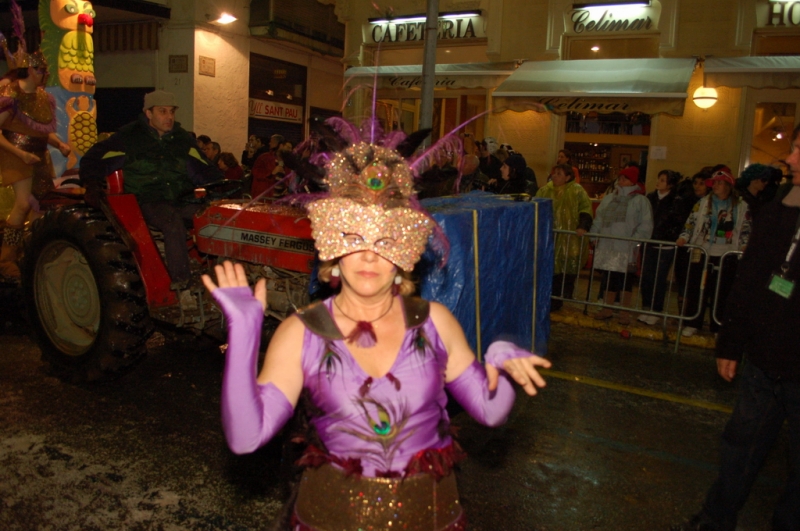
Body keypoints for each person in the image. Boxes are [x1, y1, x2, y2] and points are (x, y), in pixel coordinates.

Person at [202, 125, 551, 530]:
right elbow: (246, 438)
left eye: (385, 242)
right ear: (333, 253)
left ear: (404, 258)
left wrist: (501, 363)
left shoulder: (434, 323)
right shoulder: (302, 333)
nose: (369, 256)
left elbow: (490, 412)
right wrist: (244, 333)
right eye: (355, 239)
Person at [671, 123, 800, 531]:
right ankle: (714, 520)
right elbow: (751, 277)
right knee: (740, 448)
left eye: (799, 150)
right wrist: (730, 343)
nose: (790, 159)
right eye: (793, 148)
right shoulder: (780, 206)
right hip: (764, 362)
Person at [79, 90, 222, 305]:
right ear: (148, 113)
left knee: (218, 218)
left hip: (182, 198)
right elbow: (93, 160)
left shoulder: (183, 140)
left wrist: (222, 187)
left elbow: (203, 170)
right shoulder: (128, 138)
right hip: (148, 199)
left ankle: (221, 279)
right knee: (172, 222)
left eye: (171, 111)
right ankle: (182, 285)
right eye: (162, 111)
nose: (169, 117)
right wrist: (91, 183)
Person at [0, 33, 70, 280]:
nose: (44, 73)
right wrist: (20, 153)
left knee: (40, 210)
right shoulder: (10, 95)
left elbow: (41, 131)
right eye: (40, 69)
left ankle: (31, 256)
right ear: (28, 70)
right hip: (16, 155)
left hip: (39, 155)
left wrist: (60, 144)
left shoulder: (43, 98)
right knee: (22, 204)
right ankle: (6, 259)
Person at [677, 168, 750, 337]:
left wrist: (744, 245)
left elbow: (746, 229)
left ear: (728, 186)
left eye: (719, 183)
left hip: (726, 254)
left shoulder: (740, 206)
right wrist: (684, 237)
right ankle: (692, 322)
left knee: (722, 291)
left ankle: (718, 325)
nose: (715, 186)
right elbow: (691, 223)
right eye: (714, 183)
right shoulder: (702, 203)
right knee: (697, 288)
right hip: (702, 250)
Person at [590, 166, 653, 324]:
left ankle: (625, 312)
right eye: (620, 178)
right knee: (609, 277)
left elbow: (646, 224)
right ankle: (607, 308)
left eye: (625, 178)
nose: (621, 181)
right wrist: (595, 234)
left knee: (625, 280)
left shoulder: (640, 201)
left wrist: (635, 240)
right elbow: (599, 217)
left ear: (633, 181)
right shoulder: (610, 198)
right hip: (608, 244)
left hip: (626, 246)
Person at [536, 163, 593, 311]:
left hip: (570, 238)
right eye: (554, 172)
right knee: (551, 267)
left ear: (568, 177)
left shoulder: (577, 191)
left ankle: (561, 297)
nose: (554, 175)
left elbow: (585, 209)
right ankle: (550, 299)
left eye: (559, 173)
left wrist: (583, 226)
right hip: (549, 237)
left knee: (567, 267)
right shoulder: (544, 191)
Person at [638, 170, 685, 325]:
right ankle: (646, 306)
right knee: (646, 276)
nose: (659, 182)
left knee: (659, 278)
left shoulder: (676, 200)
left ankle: (656, 309)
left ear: (670, 184)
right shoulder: (650, 198)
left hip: (665, 245)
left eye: (663, 180)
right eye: (659, 179)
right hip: (650, 242)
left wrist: (668, 237)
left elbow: (677, 222)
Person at [250, 133, 285, 198]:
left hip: (280, 198)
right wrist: (271, 173)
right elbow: (255, 172)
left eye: (272, 142)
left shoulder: (286, 160)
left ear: (280, 145)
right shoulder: (264, 158)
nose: (269, 144)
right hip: (266, 196)